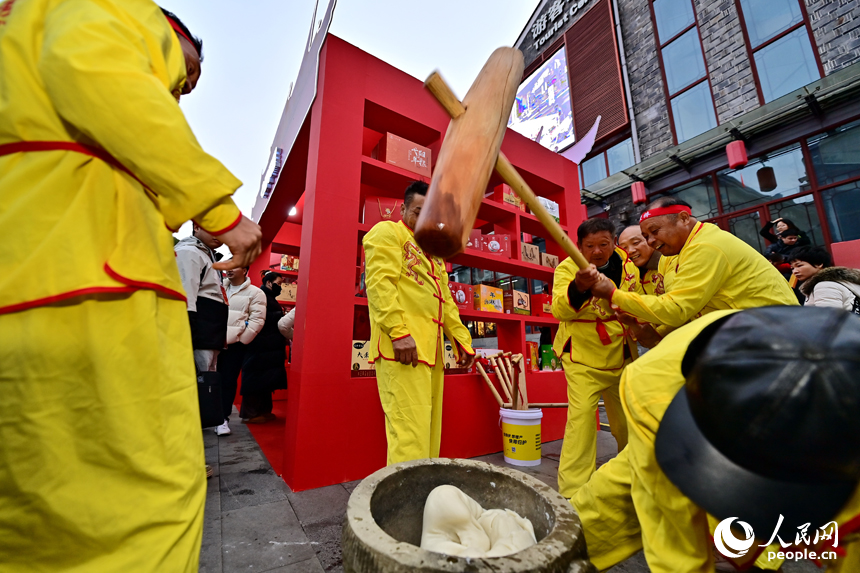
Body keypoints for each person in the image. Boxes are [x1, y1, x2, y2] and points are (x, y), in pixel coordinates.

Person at [0, 3, 261, 571]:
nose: (184, 87)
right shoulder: (115, 13)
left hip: (35, 284)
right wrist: (219, 208)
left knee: (42, 525)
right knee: (148, 506)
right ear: (175, 34)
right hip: (94, 297)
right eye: (187, 73)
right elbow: (93, 69)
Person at [573, 307, 860, 573]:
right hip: (670, 390)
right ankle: (559, 550)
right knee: (644, 490)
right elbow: (673, 532)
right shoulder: (655, 390)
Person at [363, 181, 476, 465]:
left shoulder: (435, 254)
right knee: (408, 434)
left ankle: (423, 497)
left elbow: (446, 302)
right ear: (402, 209)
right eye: (417, 211)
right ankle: (404, 505)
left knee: (428, 431)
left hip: (431, 353)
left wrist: (461, 339)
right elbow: (379, 285)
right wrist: (399, 332)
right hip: (402, 349)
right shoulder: (388, 232)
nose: (425, 219)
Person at [590, 197, 798, 327]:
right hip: (739, 332)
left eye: (654, 232)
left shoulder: (706, 246)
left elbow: (676, 309)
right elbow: (679, 312)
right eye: (646, 237)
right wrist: (640, 324)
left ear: (683, 218)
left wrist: (613, 294)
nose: (651, 241)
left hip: (773, 331)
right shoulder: (672, 256)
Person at [551, 218, 643, 498]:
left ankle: (631, 477)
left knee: (627, 420)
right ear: (578, 246)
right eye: (589, 246)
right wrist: (578, 287)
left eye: (603, 244)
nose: (597, 251)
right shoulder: (567, 268)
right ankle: (571, 491)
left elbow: (637, 299)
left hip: (621, 352)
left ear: (614, 242)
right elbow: (559, 310)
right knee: (580, 423)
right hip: (582, 355)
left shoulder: (628, 266)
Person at [216, 265, 266, 436]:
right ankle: (206, 416)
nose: (229, 269)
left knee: (228, 381)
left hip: (234, 344)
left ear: (245, 270)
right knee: (206, 378)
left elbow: (257, 319)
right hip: (212, 341)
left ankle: (222, 419)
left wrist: (242, 339)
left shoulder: (255, 292)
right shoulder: (218, 286)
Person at [175, 224, 229, 374]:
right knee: (196, 386)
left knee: (206, 387)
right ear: (197, 227)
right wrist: (187, 339)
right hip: (199, 338)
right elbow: (185, 298)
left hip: (209, 338)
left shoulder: (207, 256)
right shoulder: (189, 252)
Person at [240, 272, 288, 423]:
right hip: (260, 347)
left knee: (266, 381)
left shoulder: (269, 298)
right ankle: (251, 414)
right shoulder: (261, 297)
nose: (280, 287)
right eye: (278, 283)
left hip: (268, 348)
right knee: (256, 380)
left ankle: (263, 411)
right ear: (269, 283)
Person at [790, 247, 860, 311]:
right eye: (792, 268)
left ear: (819, 264)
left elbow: (829, 320)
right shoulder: (843, 281)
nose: (795, 271)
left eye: (799, 266)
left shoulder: (824, 286)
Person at [617, 224, 664, 295]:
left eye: (636, 243)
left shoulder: (669, 263)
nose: (630, 251)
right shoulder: (627, 274)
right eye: (624, 248)